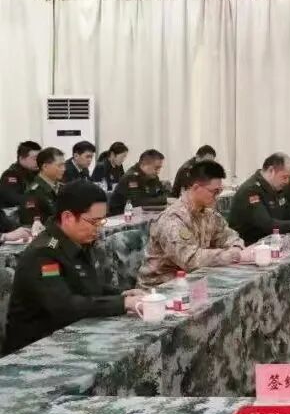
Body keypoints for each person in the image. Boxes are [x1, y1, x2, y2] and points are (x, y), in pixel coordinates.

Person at [3, 181, 145, 355]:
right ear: (68, 217)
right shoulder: (44, 253)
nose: (99, 229)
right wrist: (122, 303)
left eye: (102, 221)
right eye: (94, 222)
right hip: (35, 350)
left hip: (69, 335)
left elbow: (85, 285)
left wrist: (122, 294)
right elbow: (65, 306)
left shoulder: (76, 241)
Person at [137, 160, 249, 288]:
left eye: (220, 191)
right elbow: (190, 259)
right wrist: (230, 255)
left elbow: (230, 236)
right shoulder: (173, 219)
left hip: (190, 280)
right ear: (196, 188)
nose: (217, 196)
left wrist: (236, 248)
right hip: (159, 288)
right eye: (214, 191)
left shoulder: (208, 213)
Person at [229, 153, 290, 244]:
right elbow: (268, 225)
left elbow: (289, 212)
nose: (287, 181)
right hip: (250, 245)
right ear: (271, 171)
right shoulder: (251, 190)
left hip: (271, 242)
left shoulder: (276, 186)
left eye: (289, 177)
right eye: (284, 177)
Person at [107, 149, 168, 216]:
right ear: (144, 165)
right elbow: (137, 202)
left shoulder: (153, 176)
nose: (158, 171)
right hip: (120, 216)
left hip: (142, 214)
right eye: (156, 168)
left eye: (160, 168)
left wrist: (161, 199)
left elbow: (164, 194)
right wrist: (161, 200)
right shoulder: (131, 177)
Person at [18, 147, 65, 226]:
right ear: (45, 167)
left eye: (64, 165)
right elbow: (33, 224)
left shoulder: (63, 187)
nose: (64, 169)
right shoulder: (33, 192)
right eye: (59, 166)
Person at [1, 141, 41, 208]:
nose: (39, 161)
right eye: (35, 159)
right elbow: (13, 197)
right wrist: (38, 201)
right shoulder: (10, 175)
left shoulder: (37, 173)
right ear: (21, 158)